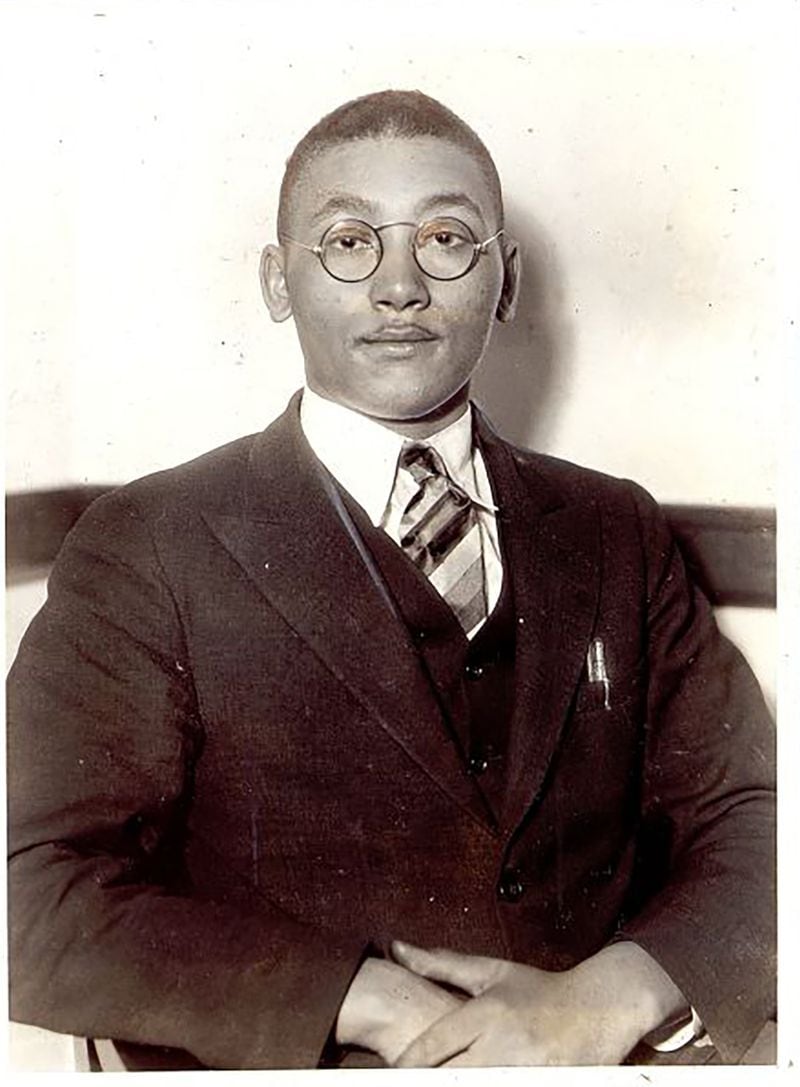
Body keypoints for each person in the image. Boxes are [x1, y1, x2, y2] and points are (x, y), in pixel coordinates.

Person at [7, 89, 775, 1069]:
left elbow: (753, 810)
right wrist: (361, 1001)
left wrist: (609, 996)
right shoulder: (148, 541)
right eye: (347, 241)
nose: (400, 285)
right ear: (277, 281)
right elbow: (26, 884)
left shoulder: (610, 526)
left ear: (505, 280)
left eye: (447, 238)